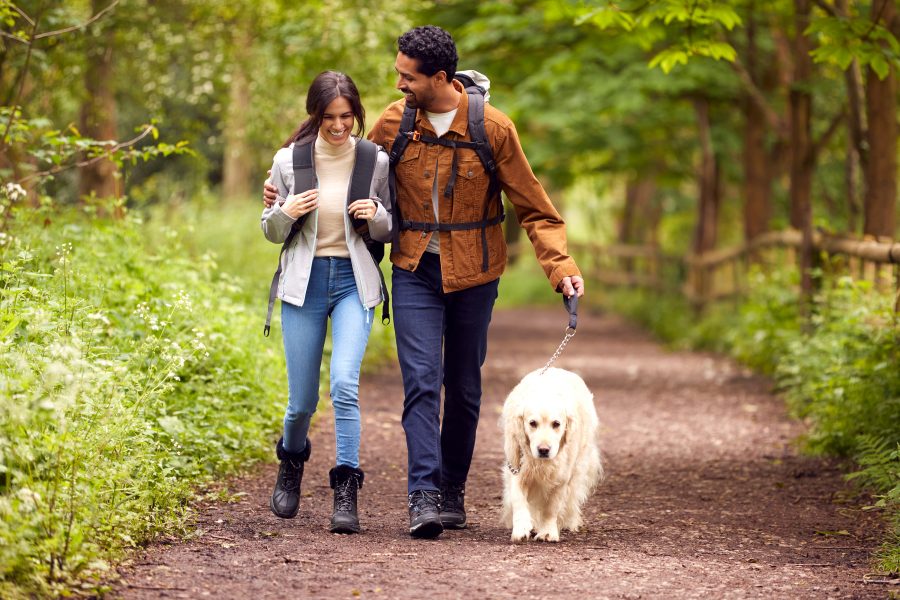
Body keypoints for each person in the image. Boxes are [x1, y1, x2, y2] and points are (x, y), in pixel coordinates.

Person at [264, 26, 584, 539]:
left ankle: (452, 490)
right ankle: (424, 495)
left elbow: (534, 207)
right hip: (414, 268)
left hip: (476, 273)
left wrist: (561, 267)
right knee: (420, 381)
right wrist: (283, 187)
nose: (398, 85)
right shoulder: (395, 123)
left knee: (462, 385)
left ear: (440, 77)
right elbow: (347, 164)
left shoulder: (493, 129)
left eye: (406, 76)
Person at [260, 70, 392, 535]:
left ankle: (346, 487)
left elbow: (391, 226)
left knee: (344, 385)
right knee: (301, 403)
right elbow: (270, 231)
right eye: (329, 117)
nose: (339, 126)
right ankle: (291, 462)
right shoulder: (288, 160)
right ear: (315, 115)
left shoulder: (374, 160)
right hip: (304, 283)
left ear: (356, 114)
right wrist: (284, 211)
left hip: (353, 283)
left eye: (347, 116)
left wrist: (377, 216)